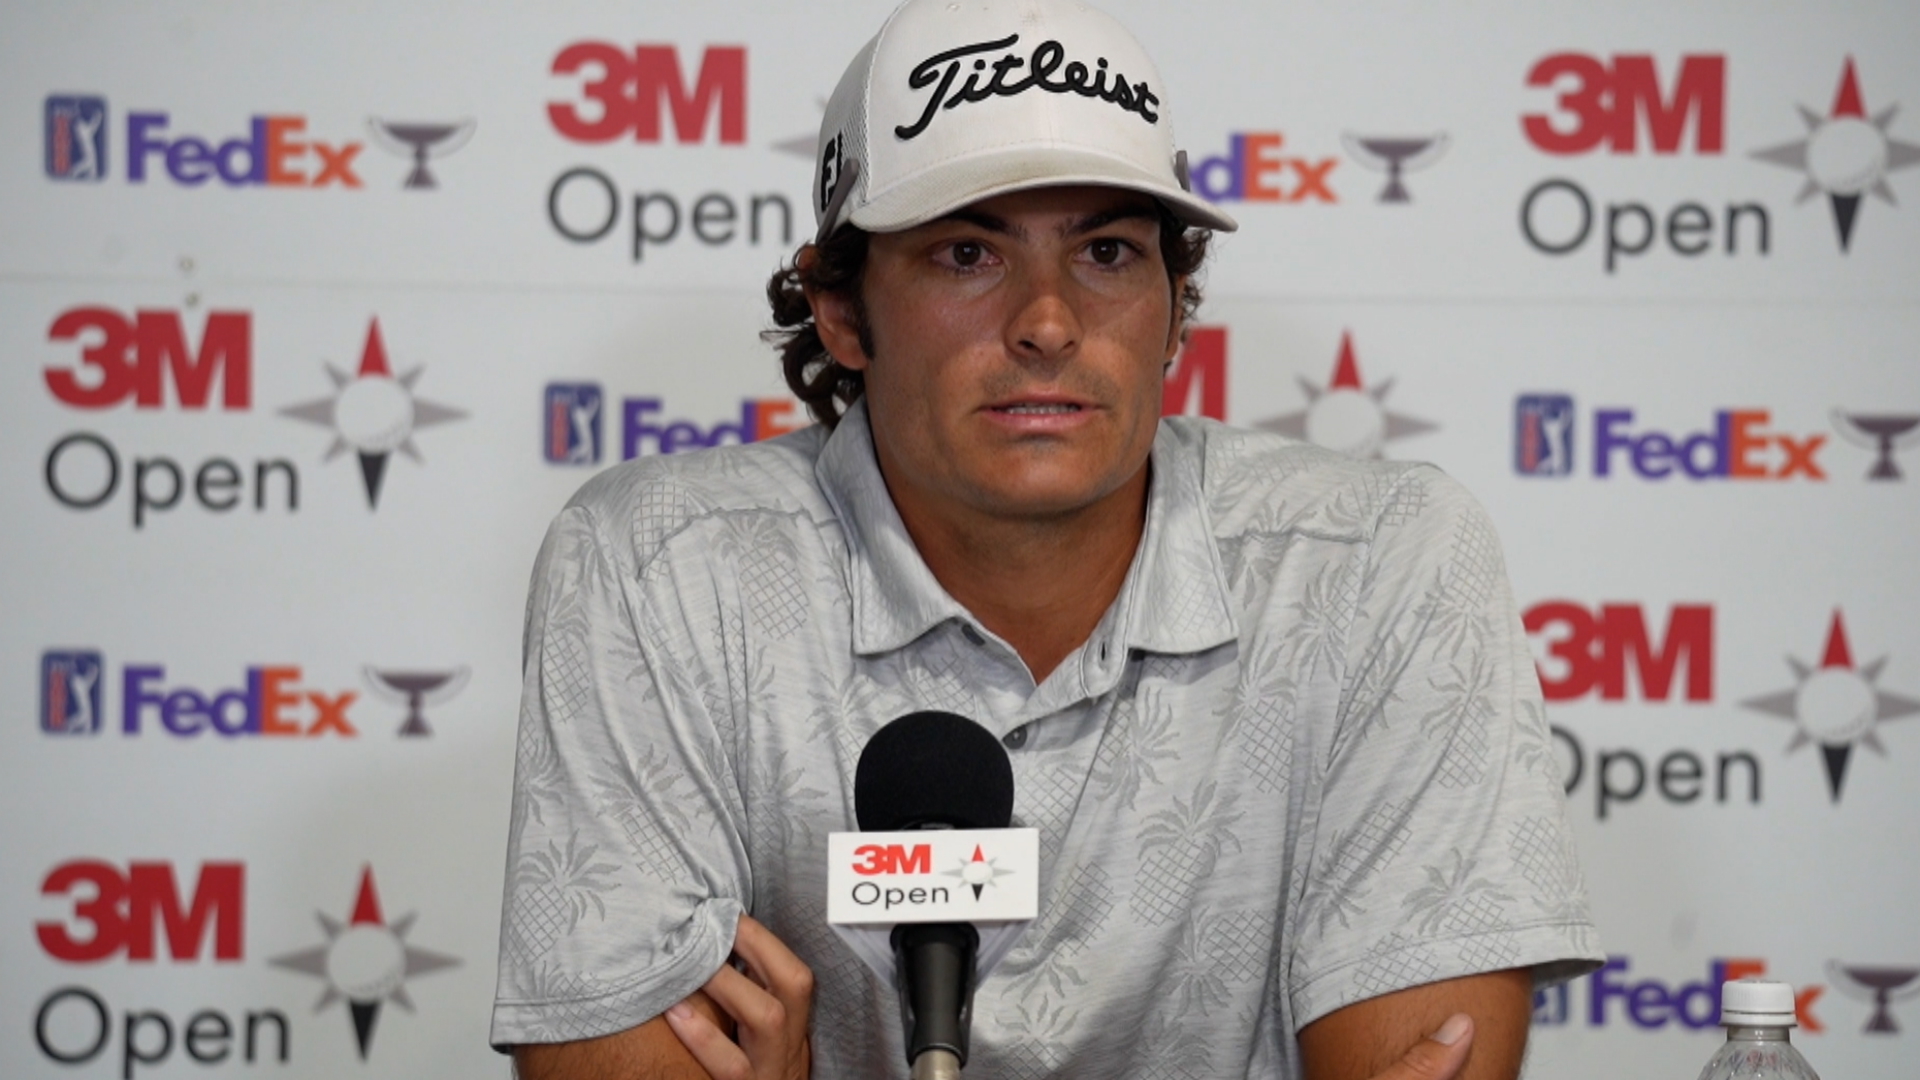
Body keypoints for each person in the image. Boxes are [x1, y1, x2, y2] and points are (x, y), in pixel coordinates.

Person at [493, 1, 1602, 1077]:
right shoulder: (661, 570)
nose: (1048, 322)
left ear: (1176, 307)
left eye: (1107, 252)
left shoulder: (1377, 566)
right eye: (966, 254)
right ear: (841, 310)